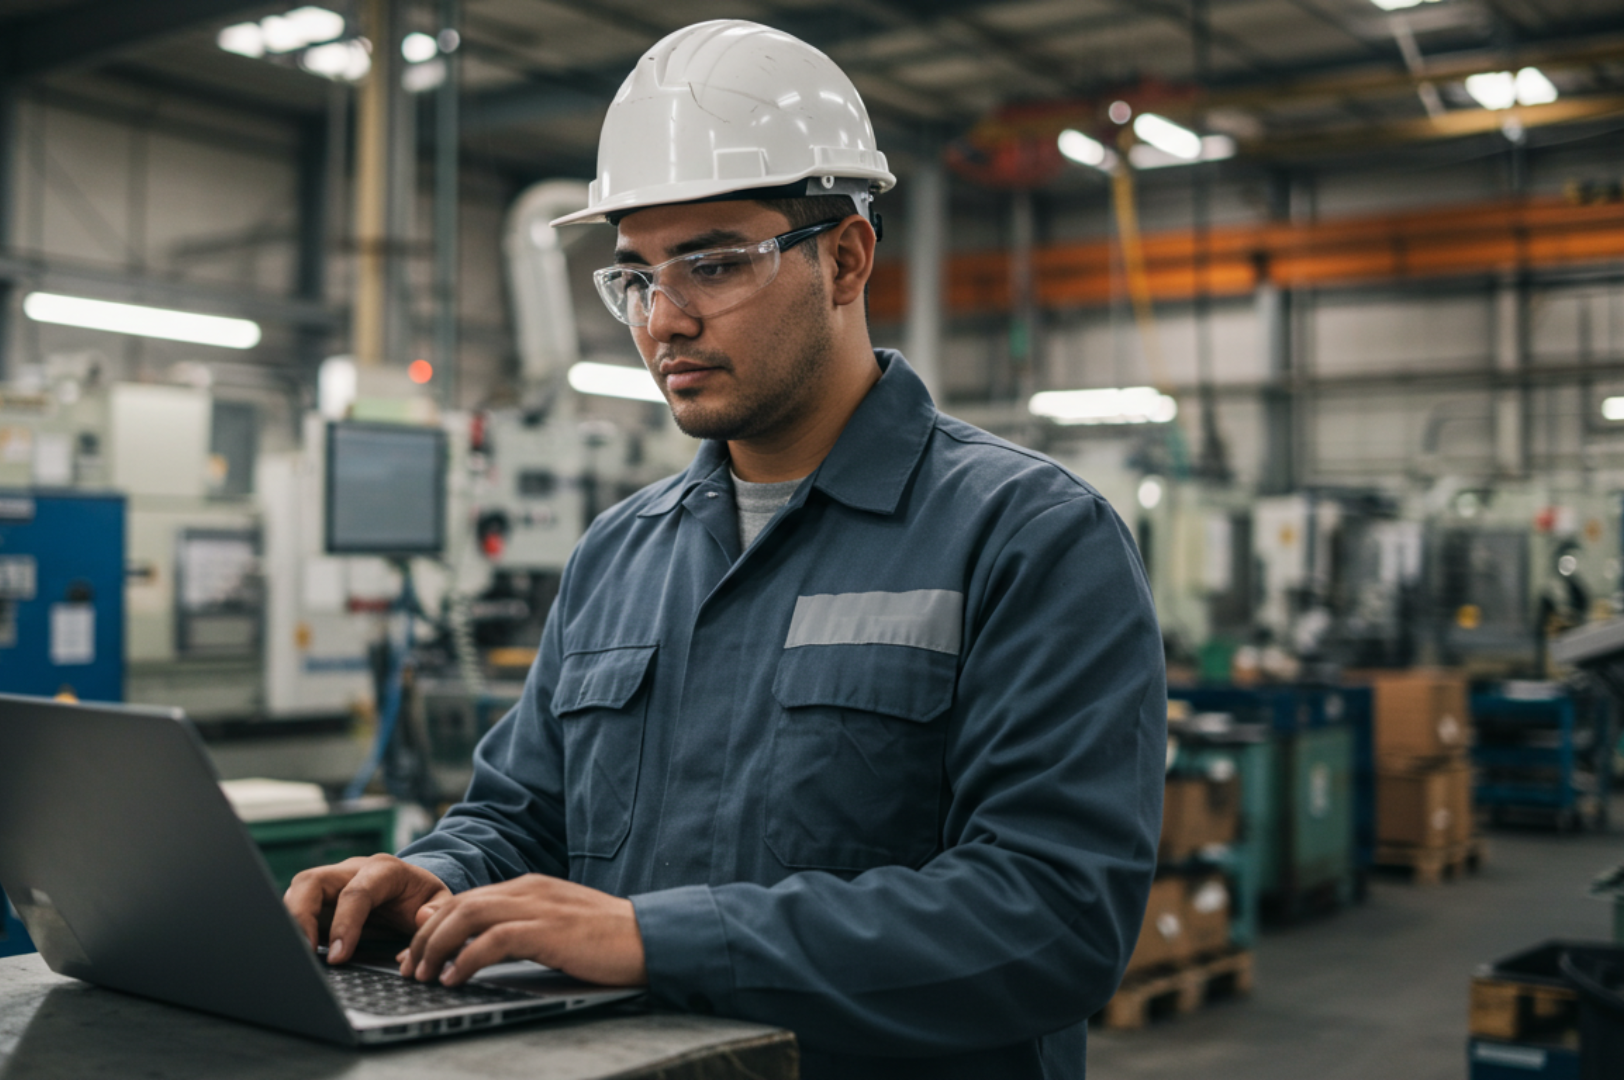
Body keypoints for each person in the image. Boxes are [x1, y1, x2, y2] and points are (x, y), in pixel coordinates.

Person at [285, 20, 1166, 1079]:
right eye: (634, 278)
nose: (663, 319)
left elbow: (1052, 919)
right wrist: (428, 877)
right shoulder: (619, 556)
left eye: (712, 264)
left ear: (846, 258)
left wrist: (656, 938)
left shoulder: (1028, 537)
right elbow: (520, 819)